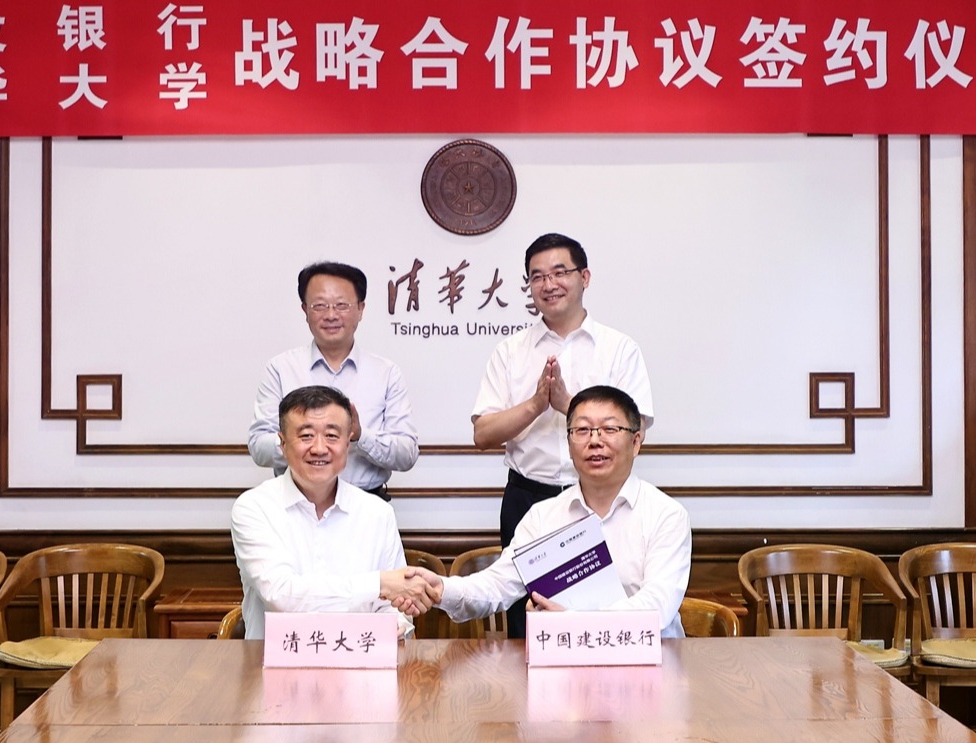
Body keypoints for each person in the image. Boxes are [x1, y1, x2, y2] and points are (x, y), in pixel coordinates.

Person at [471, 233, 653, 636]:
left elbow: (635, 426)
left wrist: (567, 403)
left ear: (584, 277)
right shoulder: (511, 350)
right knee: (528, 619)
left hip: (599, 501)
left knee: (599, 613)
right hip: (529, 499)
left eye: (559, 272)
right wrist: (536, 404)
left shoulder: (619, 348)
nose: (548, 284)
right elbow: (483, 433)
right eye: (537, 277)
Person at [404, 386, 690, 637]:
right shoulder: (543, 517)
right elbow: (497, 585)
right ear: (569, 443)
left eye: (609, 429)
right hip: (564, 666)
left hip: (652, 665)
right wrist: (441, 589)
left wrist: (571, 622)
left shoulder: (666, 515)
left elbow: (657, 606)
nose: (595, 440)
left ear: (636, 442)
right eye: (582, 430)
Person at [232, 385, 437, 640]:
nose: (319, 448)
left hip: (362, 660)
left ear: (348, 443)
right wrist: (379, 584)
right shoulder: (254, 508)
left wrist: (397, 623)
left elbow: (394, 604)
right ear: (283, 444)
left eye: (331, 436)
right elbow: (282, 596)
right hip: (272, 661)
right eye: (306, 436)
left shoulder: (377, 513)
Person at [249, 261, 418, 499]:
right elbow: (258, 447)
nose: (330, 315)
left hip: (367, 504)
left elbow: (407, 454)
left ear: (360, 309)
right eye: (319, 305)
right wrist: (300, 441)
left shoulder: (386, 373)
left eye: (341, 305)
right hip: (295, 505)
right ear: (305, 310)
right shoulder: (280, 368)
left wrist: (360, 436)